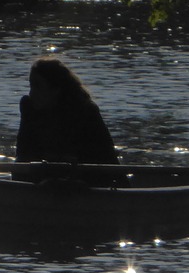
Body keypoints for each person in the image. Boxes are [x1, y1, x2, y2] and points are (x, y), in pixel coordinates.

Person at [12, 56, 120, 184]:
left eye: (37, 87)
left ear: (56, 90)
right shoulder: (29, 107)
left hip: (85, 181)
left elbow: (107, 158)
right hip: (40, 179)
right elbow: (23, 154)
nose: (31, 93)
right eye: (31, 86)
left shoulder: (85, 111)